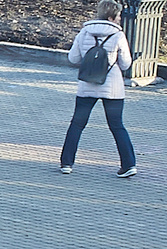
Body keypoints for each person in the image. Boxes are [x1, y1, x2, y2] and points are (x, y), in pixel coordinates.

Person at [58, 11, 138, 177]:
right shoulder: (118, 35)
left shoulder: (84, 32)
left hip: (87, 84)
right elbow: (125, 64)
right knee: (117, 125)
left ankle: (66, 163)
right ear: (110, 17)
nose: (120, 19)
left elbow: (73, 58)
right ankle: (128, 164)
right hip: (112, 88)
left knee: (77, 124)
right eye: (118, 16)